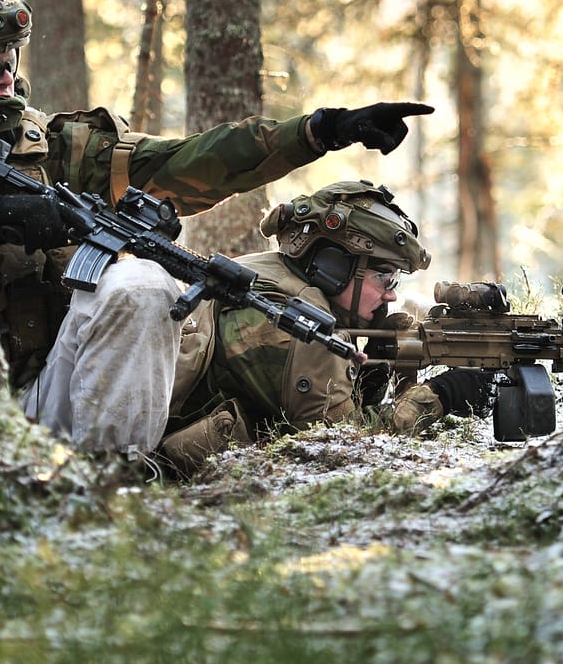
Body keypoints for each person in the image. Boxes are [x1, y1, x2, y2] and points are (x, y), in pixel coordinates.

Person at [0, 0, 433, 458]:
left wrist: (321, 130)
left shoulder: (53, 151)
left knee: (144, 283)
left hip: (44, 399)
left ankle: (107, 483)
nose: (3, 79)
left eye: (7, 62)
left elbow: (188, 162)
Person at [158, 180, 495, 475]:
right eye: (384, 277)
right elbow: (344, 446)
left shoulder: (267, 274)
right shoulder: (299, 328)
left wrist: (369, 377)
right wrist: (440, 395)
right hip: (162, 474)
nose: (391, 292)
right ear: (333, 267)